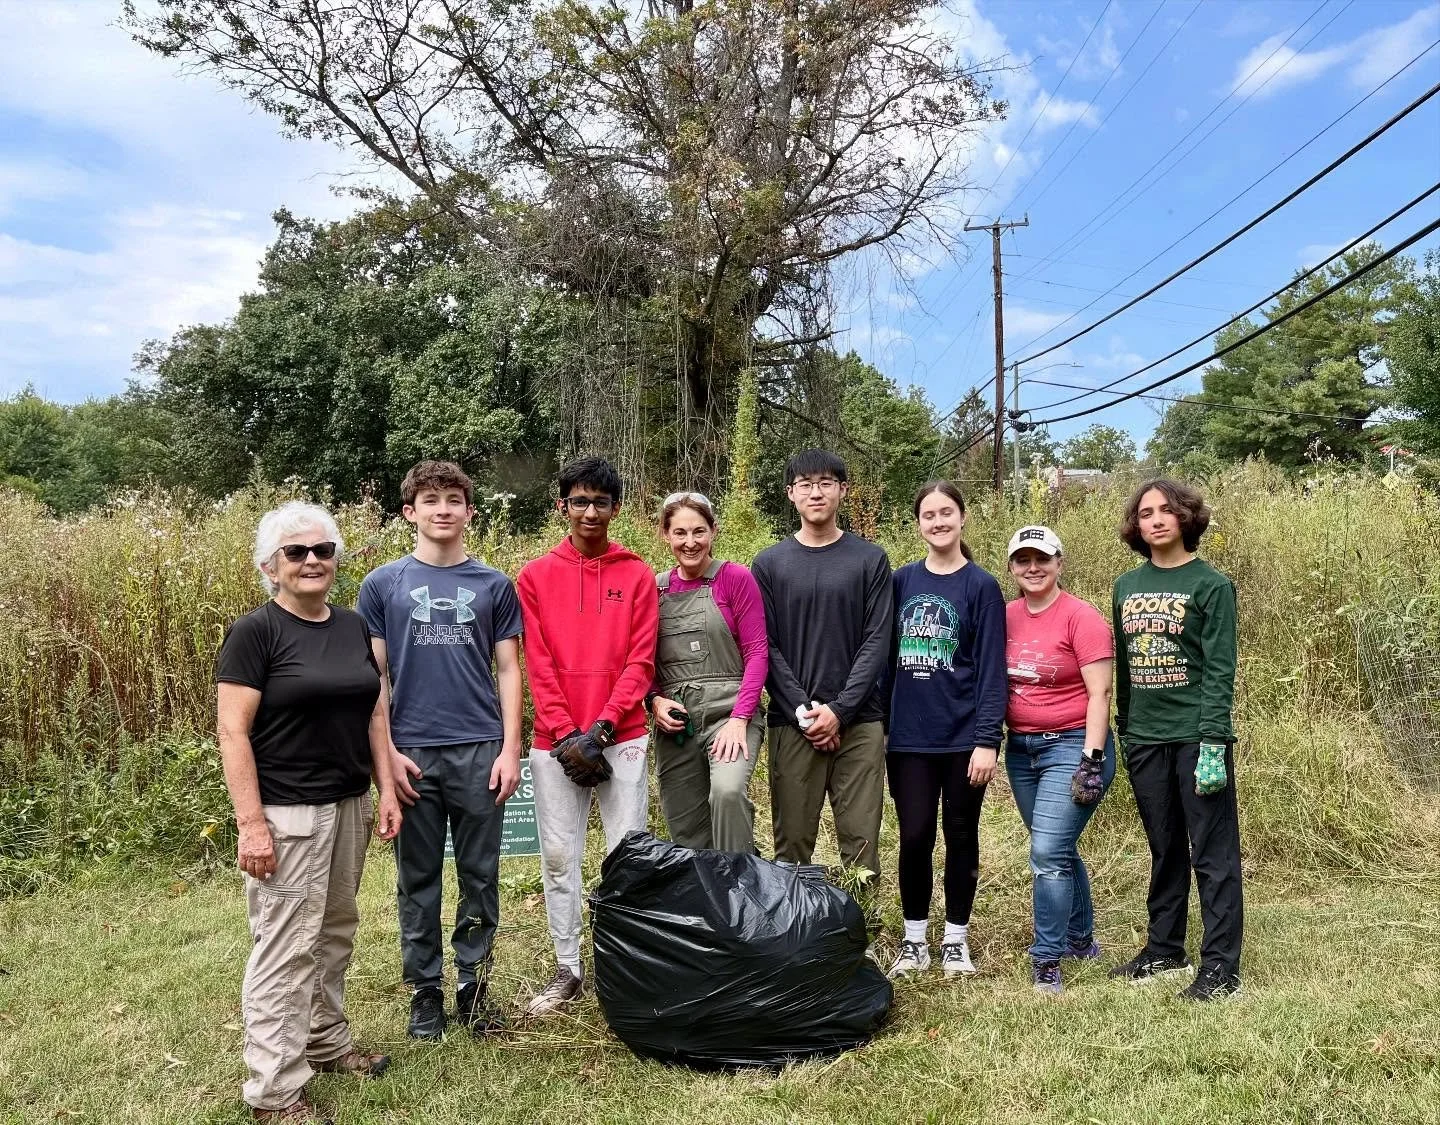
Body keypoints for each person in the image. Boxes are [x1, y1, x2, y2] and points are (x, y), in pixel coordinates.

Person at [216, 501, 402, 1124]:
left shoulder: (350, 626)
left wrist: (386, 789)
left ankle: (324, 1041)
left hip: (348, 805)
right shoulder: (255, 633)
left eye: (323, 550)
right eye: (296, 552)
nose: (312, 561)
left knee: (333, 933)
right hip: (288, 814)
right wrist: (251, 824)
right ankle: (272, 1091)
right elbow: (232, 733)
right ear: (271, 566)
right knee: (285, 948)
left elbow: (375, 712)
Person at [358, 461, 524, 1040]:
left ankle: (474, 987)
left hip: (480, 749)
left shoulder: (494, 585)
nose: (443, 509)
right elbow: (374, 678)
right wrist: (386, 760)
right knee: (417, 877)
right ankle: (425, 990)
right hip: (412, 752)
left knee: (481, 874)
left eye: (454, 499)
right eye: (430, 500)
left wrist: (510, 748)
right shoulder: (383, 585)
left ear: (469, 511)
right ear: (410, 512)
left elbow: (507, 668)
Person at [518, 456, 659, 1016]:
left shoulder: (637, 573)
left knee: (628, 850)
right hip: (556, 739)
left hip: (619, 735)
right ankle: (568, 967)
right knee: (558, 854)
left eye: (601, 501)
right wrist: (566, 732)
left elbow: (641, 660)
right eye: (580, 501)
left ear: (615, 508)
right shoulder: (535, 576)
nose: (590, 511)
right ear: (563, 507)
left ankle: (627, 960)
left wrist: (600, 729)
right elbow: (539, 661)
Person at [1109, 478, 1243, 1001]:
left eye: (1167, 510)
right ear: (1136, 525)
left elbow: (1219, 670)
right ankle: (1165, 947)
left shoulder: (1211, 585)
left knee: (1211, 852)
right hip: (1145, 736)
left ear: (1186, 517)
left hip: (1197, 738)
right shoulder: (1126, 585)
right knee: (1163, 847)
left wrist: (1214, 741)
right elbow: (1124, 664)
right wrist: (1125, 728)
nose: (1157, 519)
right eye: (1146, 513)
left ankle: (1220, 966)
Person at [752, 449, 893, 878]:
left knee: (861, 844)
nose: (817, 493)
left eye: (826, 483)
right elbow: (765, 647)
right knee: (792, 846)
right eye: (806, 484)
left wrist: (840, 711)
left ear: (842, 491)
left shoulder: (870, 560)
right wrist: (806, 713)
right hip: (792, 724)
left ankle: (857, 939)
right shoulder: (769, 564)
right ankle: (795, 941)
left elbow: (877, 640)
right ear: (790, 493)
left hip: (860, 722)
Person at [884, 481, 1006, 979]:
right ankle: (915, 940)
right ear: (919, 523)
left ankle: (955, 937)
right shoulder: (900, 581)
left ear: (962, 518)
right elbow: (881, 658)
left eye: (946, 513)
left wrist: (986, 741)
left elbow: (992, 670)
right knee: (914, 836)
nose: (938, 522)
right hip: (907, 738)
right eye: (929, 514)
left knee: (960, 835)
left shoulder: (981, 586)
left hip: (962, 740)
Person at [1003, 525, 1117, 994]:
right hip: (1021, 750)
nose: (1033, 568)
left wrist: (1090, 759)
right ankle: (1080, 938)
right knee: (1058, 848)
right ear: (1011, 568)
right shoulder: (1005, 615)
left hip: (1072, 746)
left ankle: (1047, 959)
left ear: (1059, 563)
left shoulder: (1081, 618)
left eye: (1042, 559)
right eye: (1023, 560)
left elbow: (1100, 693)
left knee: (1047, 854)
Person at [647, 491, 769, 852]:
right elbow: (641, 660)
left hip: (729, 713)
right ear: (665, 535)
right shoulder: (655, 589)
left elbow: (758, 652)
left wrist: (740, 718)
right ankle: (703, 902)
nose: (690, 542)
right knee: (685, 823)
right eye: (680, 533)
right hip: (678, 723)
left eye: (699, 531)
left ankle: (742, 892)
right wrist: (653, 700)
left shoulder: (735, 578)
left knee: (728, 794)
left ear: (713, 531)